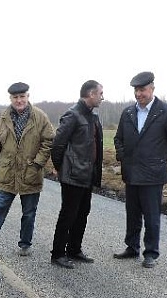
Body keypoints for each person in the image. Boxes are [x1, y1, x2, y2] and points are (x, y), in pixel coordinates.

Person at [113, 71, 167, 268]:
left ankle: (151, 253)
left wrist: (159, 156)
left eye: (142, 90)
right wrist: (123, 155)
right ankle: (132, 247)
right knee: (132, 214)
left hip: (153, 175)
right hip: (131, 173)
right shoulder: (128, 113)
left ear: (152, 89)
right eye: (136, 90)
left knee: (152, 217)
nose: (139, 94)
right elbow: (119, 138)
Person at [0, 82, 55, 259]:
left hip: (31, 173)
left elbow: (49, 141)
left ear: (28, 96)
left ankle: (25, 244)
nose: (19, 100)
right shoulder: (2, 118)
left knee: (29, 213)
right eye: (15, 97)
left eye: (22, 96)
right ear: (11, 98)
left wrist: (37, 163)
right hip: (8, 173)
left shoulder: (40, 117)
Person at [49, 80, 104, 269]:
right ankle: (58, 254)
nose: (102, 97)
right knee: (68, 214)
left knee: (83, 213)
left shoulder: (93, 116)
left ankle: (74, 249)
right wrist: (61, 168)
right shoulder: (73, 115)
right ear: (91, 94)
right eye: (100, 93)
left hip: (87, 175)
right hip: (73, 175)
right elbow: (58, 145)